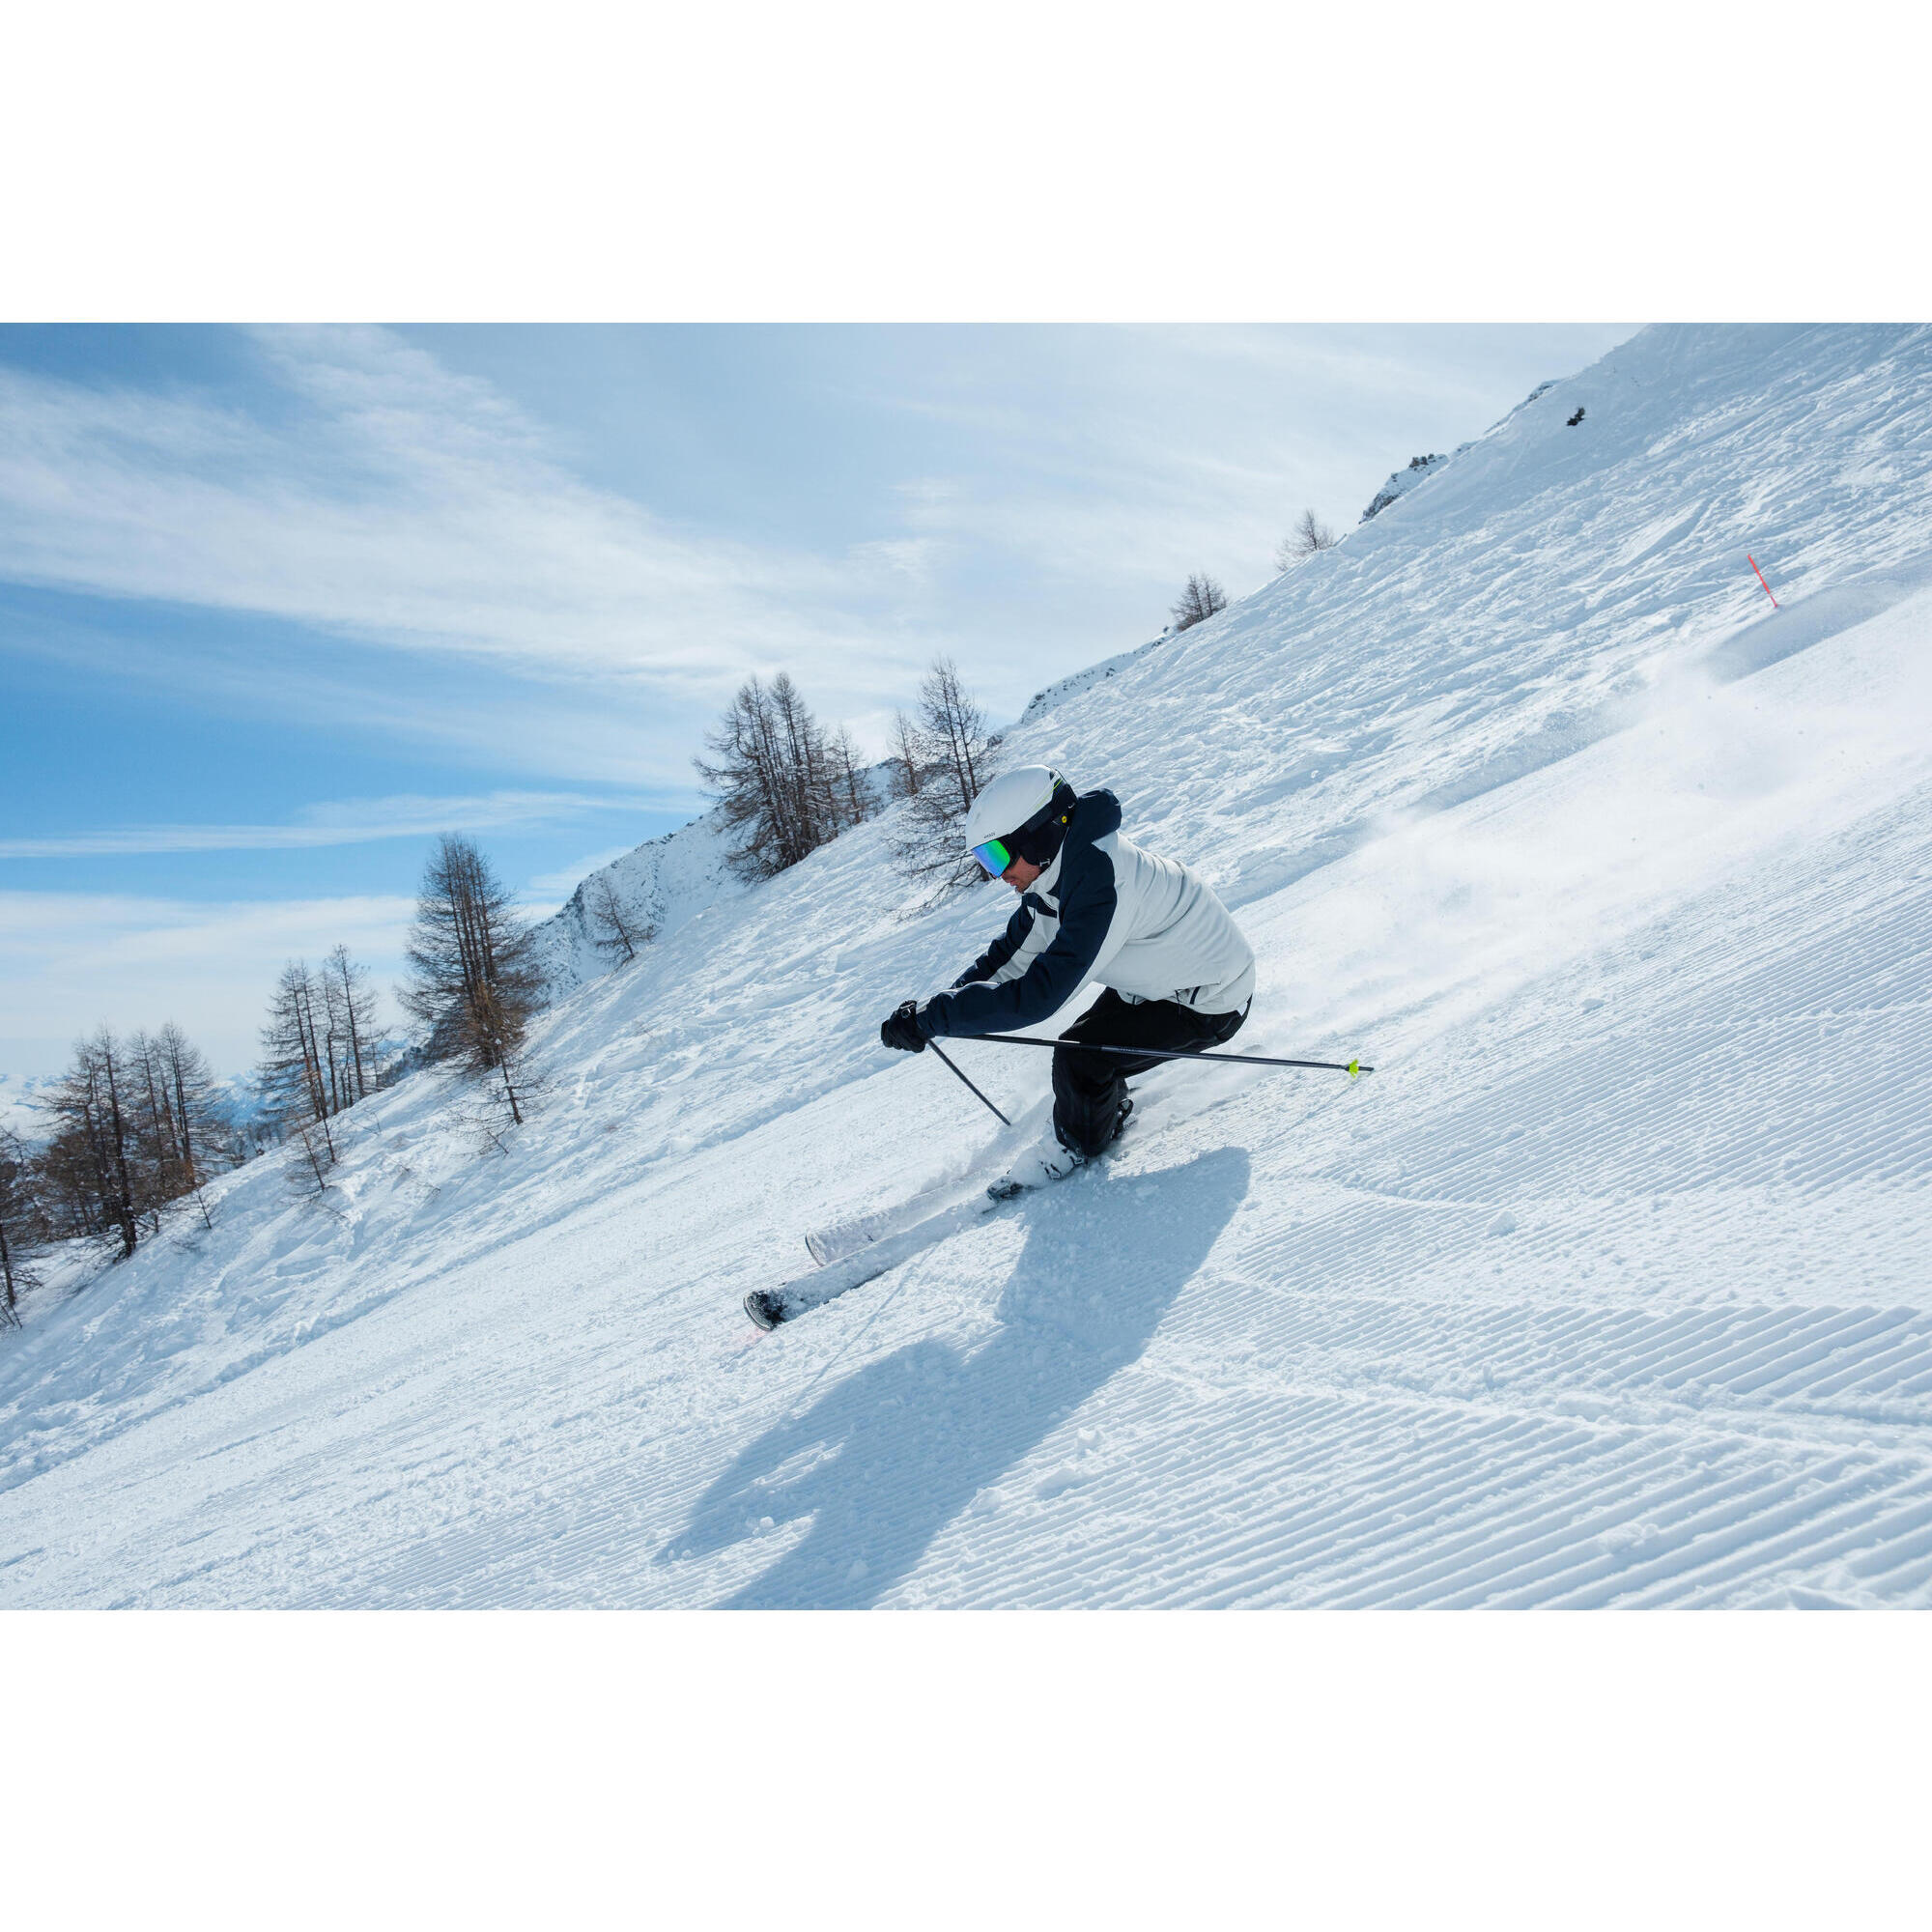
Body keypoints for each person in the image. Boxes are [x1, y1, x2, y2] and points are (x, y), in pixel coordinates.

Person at [879, 765, 1256, 1191]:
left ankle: (1076, 1148)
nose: (998, 874)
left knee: (1081, 1059)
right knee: (1083, 1055)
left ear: (1036, 835)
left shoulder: (1099, 881)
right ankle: (1100, 1111)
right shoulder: (1058, 874)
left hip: (1209, 998)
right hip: (1158, 982)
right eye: (986, 861)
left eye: (999, 856)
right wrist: (931, 1010)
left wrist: (938, 1017)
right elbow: (1009, 961)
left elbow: (1037, 997)